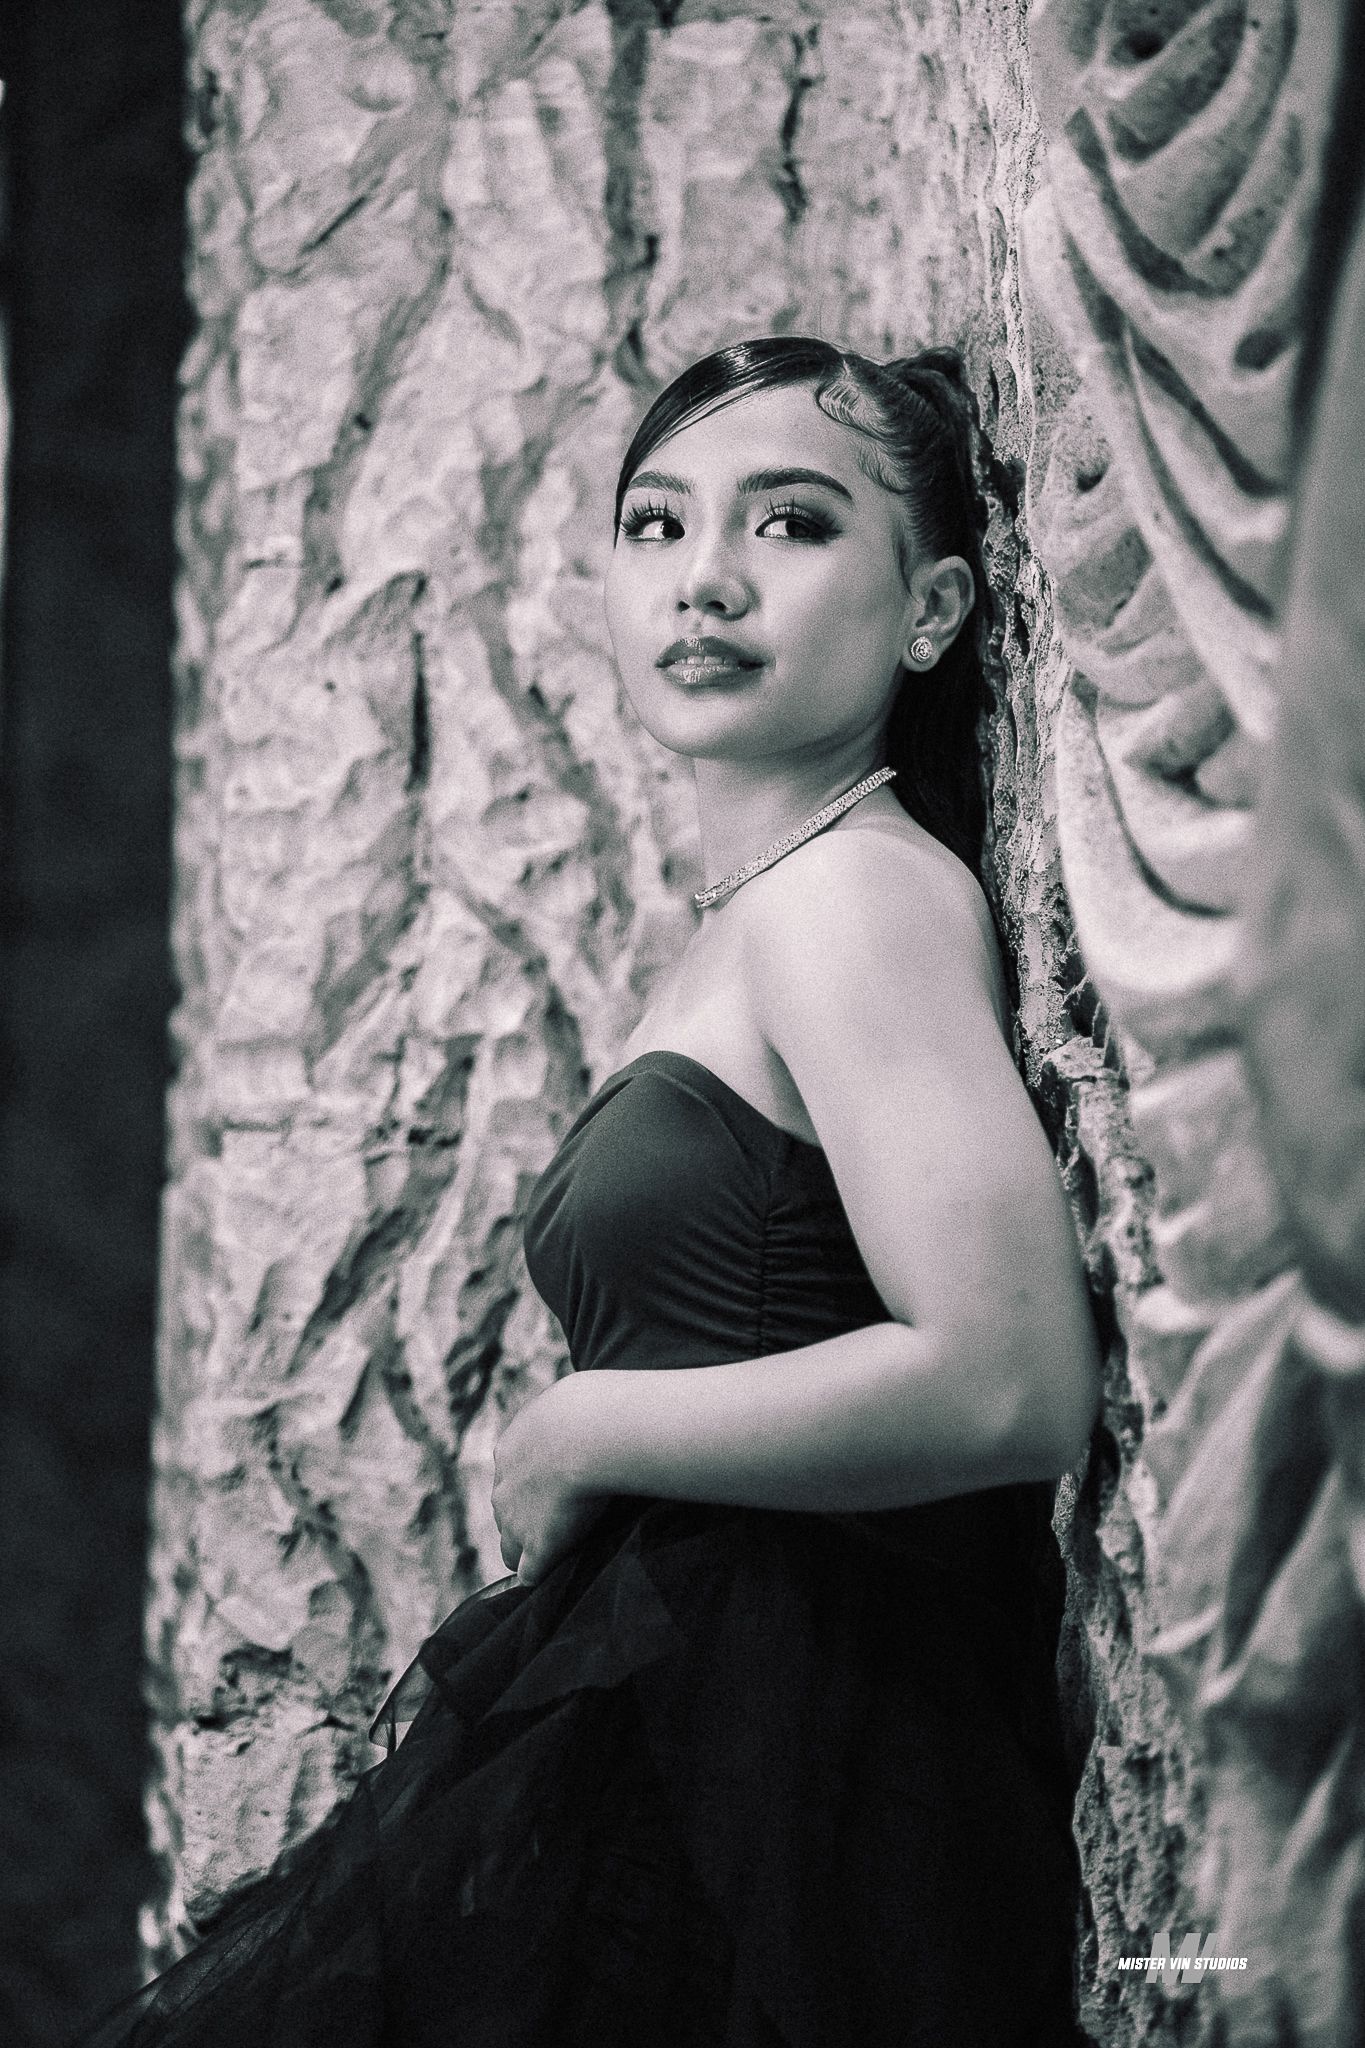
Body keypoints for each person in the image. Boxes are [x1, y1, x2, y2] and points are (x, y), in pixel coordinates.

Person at [81, 337, 1100, 2048]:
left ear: (930, 611)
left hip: (806, 1756)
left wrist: (576, 1429)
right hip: (723, 1738)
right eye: (655, 524)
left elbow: (1007, 1383)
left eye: (790, 523)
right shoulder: (772, 904)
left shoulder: (849, 901)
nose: (704, 578)